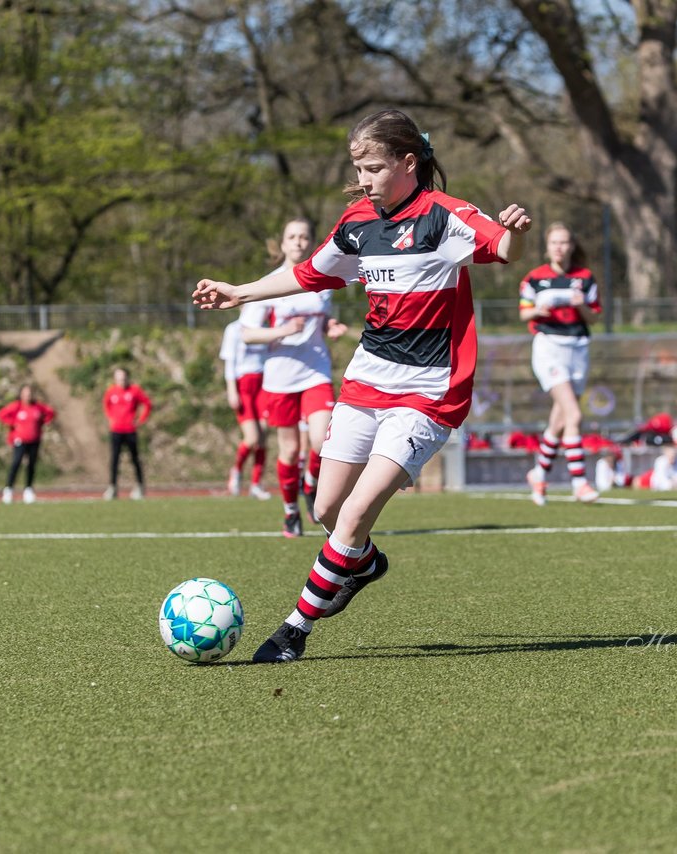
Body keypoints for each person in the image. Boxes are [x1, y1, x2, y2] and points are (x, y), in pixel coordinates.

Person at [194, 108, 532, 663]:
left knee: (352, 516)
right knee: (327, 508)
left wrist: (518, 235)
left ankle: (292, 632)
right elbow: (307, 274)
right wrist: (240, 291)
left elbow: (502, 249)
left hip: (427, 393)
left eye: (373, 167)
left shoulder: (443, 217)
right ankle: (365, 563)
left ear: (407, 162)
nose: (364, 178)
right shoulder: (358, 222)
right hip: (365, 381)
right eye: (358, 167)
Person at [238, 217, 347, 537]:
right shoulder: (270, 284)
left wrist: (330, 326)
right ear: (283, 244)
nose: (299, 242)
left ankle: (311, 484)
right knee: (288, 451)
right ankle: (290, 512)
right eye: (293, 237)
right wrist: (283, 330)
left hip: (315, 371)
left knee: (321, 440)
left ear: (311, 242)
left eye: (304, 237)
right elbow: (247, 334)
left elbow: (322, 319)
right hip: (280, 377)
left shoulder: (322, 281)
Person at [518, 222, 603, 505]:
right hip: (549, 347)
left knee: (559, 420)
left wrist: (580, 304)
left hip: (578, 348)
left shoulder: (585, 278)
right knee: (574, 416)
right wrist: (537, 311)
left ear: (572, 245)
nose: (559, 247)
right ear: (547, 247)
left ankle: (539, 474)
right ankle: (579, 483)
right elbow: (524, 313)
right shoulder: (535, 279)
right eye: (554, 242)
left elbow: (593, 317)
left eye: (564, 242)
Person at [219, 317, 271, 500]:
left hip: (264, 383)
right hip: (244, 386)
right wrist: (232, 390)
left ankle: (256, 484)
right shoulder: (234, 329)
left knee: (263, 438)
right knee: (251, 438)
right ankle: (236, 472)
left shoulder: (266, 327)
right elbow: (229, 363)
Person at [0, 384, 55, 504]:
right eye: (26, 393)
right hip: (20, 440)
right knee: (16, 463)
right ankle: (9, 489)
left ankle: (28, 489)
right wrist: (13, 423)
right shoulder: (17, 406)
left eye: (30, 393)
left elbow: (51, 413)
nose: (28, 396)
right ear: (21, 394)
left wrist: (42, 423)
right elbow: (1, 415)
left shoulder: (37, 407)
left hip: (34, 440)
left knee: (31, 465)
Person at [102, 367, 152, 499]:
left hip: (130, 430)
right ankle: (112, 487)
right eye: (118, 379)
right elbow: (106, 405)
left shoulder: (135, 390)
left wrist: (140, 420)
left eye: (123, 378)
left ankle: (140, 487)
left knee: (135, 459)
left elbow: (147, 404)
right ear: (115, 379)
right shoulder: (111, 392)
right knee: (114, 460)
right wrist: (111, 418)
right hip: (116, 431)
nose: (121, 381)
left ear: (128, 378)